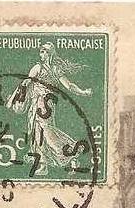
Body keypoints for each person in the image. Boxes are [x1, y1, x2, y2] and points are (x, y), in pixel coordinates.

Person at [8, 42, 92, 175]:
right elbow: (26, 83)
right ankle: (45, 164)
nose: (42, 54)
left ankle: (70, 152)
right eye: (41, 51)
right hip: (42, 103)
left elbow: (69, 85)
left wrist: (82, 92)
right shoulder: (43, 68)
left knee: (45, 131)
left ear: (50, 53)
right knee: (39, 132)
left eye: (44, 51)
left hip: (43, 103)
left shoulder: (46, 68)